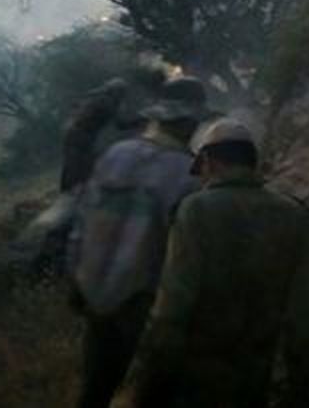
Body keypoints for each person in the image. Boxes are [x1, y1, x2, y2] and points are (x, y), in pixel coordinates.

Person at [131, 118, 309, 407]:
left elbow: (173, 309)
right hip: (255, 378)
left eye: (201, 170)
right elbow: (300, 316)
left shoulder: (196, 210)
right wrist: (301, 387)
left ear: (209, 162)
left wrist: (149, 386)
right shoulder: (291, 214)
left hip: (197, 380)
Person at [69, 76, 211, 408]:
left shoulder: (117, 154)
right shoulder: (187, 173)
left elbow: (82, 220)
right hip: (142, 303)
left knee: (95, 388)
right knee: (151, 391)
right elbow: (182, 252)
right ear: (190, 122)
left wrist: (77, 278)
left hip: (96, 294)